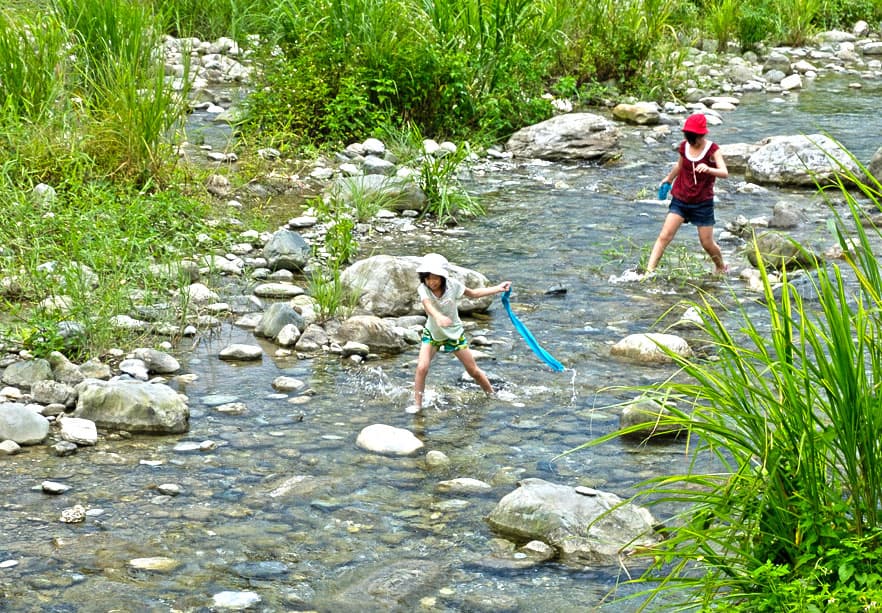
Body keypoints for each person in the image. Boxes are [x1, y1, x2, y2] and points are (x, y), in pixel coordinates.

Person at [409, 253, 511, 413]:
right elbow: (427, 305)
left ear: (442, 277)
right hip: (432, 333)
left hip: (454, 334)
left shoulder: (453, 285)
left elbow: (474, 294)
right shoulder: (423, 289)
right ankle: (417, 404)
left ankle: (491, 394)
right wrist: (438, 316)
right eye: (428, 278)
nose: (431, 282)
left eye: (435, 278)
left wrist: (497, 288)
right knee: (421, 368)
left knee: (473, 371)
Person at [647, 113, 729, 275]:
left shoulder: (712, 149)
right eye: (689, 136)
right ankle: (649, 271)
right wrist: (669, 179)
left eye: (694, 137)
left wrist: (709, 169)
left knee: (706, 243)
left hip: (702, 202)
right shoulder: (684, 146)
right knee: (664, 236)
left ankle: (720, 267)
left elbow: (724, 172)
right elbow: (679, 166)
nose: (691, 140)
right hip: (680, 199)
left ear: (702, 135)